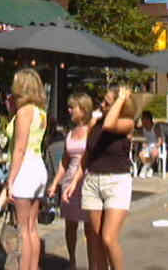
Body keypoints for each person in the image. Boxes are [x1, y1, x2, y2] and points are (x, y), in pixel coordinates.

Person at [64, 86, 135, 270]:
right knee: (95, 239)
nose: (102, 105)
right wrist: (74, 182)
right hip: (93, 181)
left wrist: (120, 100)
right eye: (103, 102)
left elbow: (110, 125)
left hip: (116, 182)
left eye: (106, 103)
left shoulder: (126, 122)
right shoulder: (94, 124)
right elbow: (87, 157)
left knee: (108, 238)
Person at [5, 69, 48, 270]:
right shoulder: (41, 112)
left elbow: (19, 148)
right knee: (32, 228)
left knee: (23, 230)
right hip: (38, 166)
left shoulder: (24, 112)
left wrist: (10, 179)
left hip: (26, 168)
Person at [47, 93, 95, 270]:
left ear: (83, 109)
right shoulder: (70, 132)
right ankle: (72, 260)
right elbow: (65, 162)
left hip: (88, 181)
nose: (69, 110)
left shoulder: (92, 130)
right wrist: (54, 183)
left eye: (72, 107)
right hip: (69, 183)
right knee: (70, 225)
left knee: (90, 228)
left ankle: (92, 264)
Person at [137, 111, 162, 178]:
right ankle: (149, 168)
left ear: (148, 119)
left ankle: (144, 169)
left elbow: (160, 140)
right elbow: (140, 138)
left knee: (153, 154)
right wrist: (143, 143)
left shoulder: (156, 127)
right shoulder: (141, 129)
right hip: (146, 146)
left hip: (155, 146)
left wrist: (156, 146)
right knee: (141, 154)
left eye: (143, 119)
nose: (142, 121)